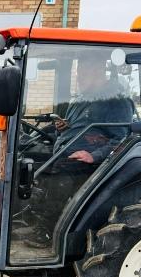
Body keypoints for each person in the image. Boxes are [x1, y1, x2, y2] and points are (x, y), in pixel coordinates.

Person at [24, 51, 135, 249]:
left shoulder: (115, 100)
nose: (79, 77)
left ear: (100, 70)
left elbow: (122, 139)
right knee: (25, 162)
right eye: (79, 72)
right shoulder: (82, 99)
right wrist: (64, 127)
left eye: (84, 73)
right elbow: (79, 126)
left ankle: (49, 232)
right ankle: (28, 216)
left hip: (93, 165)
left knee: (54, 175)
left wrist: (93, 155)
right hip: (66, 152)